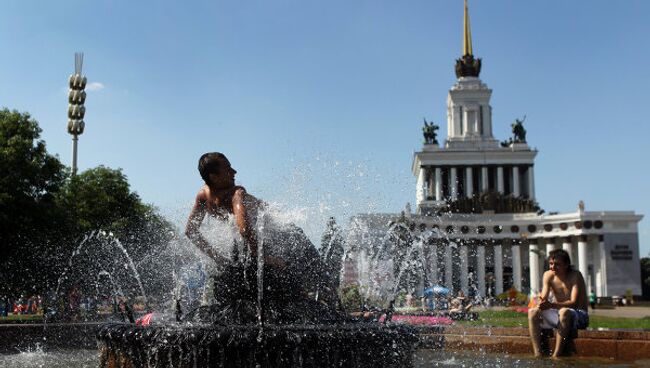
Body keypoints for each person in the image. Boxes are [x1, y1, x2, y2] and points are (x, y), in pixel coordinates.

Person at [185, 152, 340, 322]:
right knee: (318, 276)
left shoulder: (203, 196)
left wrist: (219, 259)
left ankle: (328, 304)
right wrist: (262, 257)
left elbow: (191, 230)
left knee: (308, 276)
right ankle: (334, 309)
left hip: (279, 232)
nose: (234, 171)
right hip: (277, 238)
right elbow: (243, 228)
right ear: (214, 176)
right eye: (228, 169)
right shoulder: (236, 193)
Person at [528, 249, 588, 358]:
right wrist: (540, 303)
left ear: (566, 265)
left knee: (564, 311)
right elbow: (544, 296)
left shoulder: (575, 275)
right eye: (551, 263)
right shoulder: (548, 275)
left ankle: (556, 355)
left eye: (557, 264)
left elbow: (573, 303)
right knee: (532, 312)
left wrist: (551, 305)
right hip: (560, 314)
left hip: (579, 315)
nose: (553, 267)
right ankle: (538, 354)